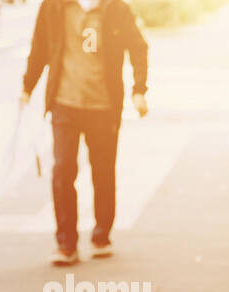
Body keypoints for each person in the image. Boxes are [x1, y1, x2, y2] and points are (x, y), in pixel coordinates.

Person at [20, 0, 149, 265]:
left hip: (104, 106)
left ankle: (101, 234)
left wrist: (139, 90)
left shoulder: (115, 9)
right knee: (63, 169)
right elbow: (40, 48)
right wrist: (27, 88)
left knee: (103, 171)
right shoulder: (54, 6)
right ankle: (66, 244)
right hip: (64, 104)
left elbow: (138, 47)